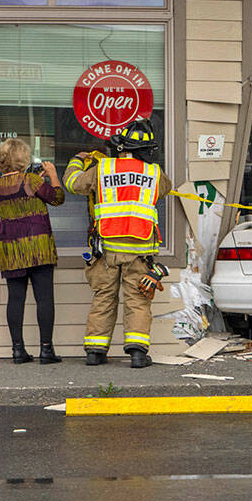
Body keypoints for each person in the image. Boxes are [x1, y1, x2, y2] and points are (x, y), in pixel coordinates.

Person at [64, 117, 172, 368]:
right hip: (140, 252)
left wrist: (77, 161)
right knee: (138, 300)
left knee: (104, 297)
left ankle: (95, 352)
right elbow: (164, 190)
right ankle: (137, 354)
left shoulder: (102, 169)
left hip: (106, 250)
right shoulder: (155, 173)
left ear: (119, 145)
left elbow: (73, 184)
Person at [0, 138, 65, 365]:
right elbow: (57, 198)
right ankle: (46, 350)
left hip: (12, 246)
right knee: (44, 298)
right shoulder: (31, 180)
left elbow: (19, 193)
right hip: (38, 245)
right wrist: (52, 175)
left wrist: (37, 182)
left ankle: (18, 350)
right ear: (22, 158)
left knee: (16, 299)